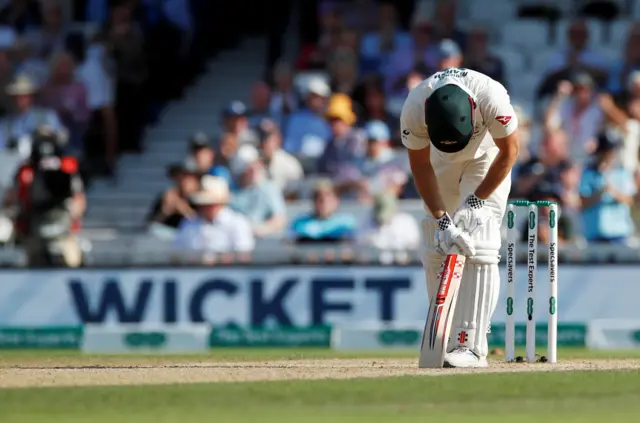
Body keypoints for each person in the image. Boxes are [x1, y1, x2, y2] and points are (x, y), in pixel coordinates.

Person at [400, 67, 520, 368]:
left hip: (486, 158)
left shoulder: (491, 98)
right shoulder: (414, 107)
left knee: (481, 237)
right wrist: (442, 221)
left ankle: (470, 345)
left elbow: (510, 151)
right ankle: (444, 337)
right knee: (435, 241)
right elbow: (420, 168)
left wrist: (477, 201)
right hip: (438, 163)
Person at [174, 176, 255, 255]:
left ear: (221, 204)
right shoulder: (188, 224)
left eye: (211, 204)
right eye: (204, 204)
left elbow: (243, 257)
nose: (206, 208)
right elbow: (178, 255)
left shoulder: (238, 223)